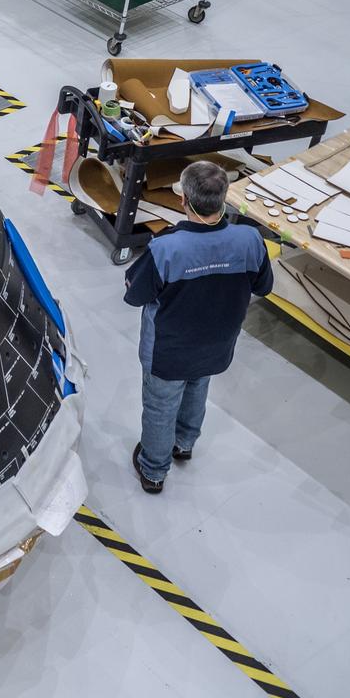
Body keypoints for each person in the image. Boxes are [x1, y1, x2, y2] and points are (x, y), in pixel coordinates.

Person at [123, 161, 273, 494]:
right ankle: (184, 443)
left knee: (161, 405)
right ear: (224, 198)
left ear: (183, 201)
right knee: (196, 388)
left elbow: (135, 294)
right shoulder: (250, 239)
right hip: (217, 345)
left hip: (169, 351)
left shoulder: (166, 248)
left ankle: (154, 471)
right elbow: (264, 287)